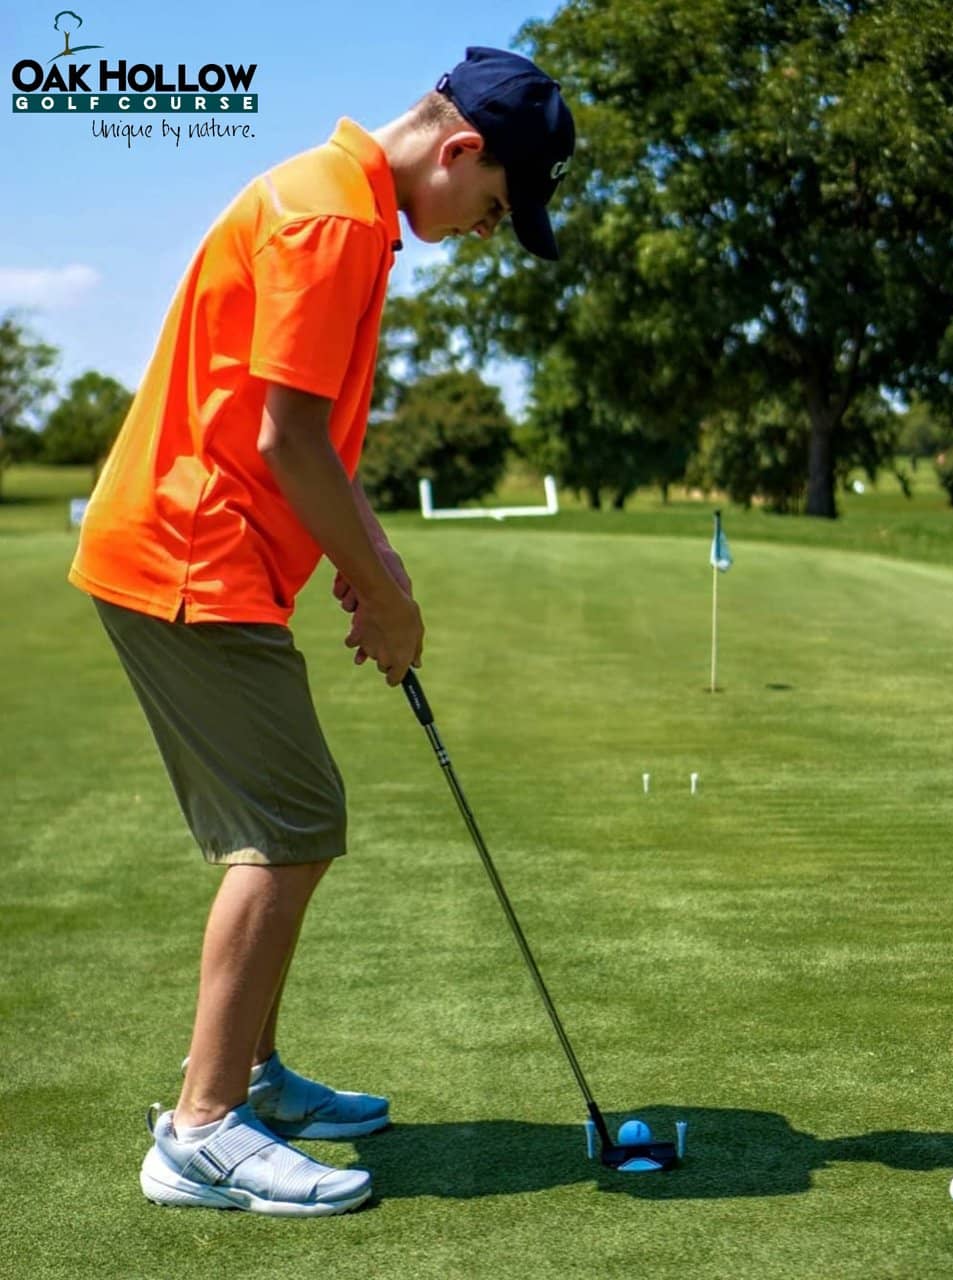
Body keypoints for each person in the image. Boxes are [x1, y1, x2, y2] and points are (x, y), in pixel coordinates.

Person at [68, 46, 575, 1218]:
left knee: (292, 818)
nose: (493, 230)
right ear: (459, 152)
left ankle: (250, 1075)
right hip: (190, 558)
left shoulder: (338, 199)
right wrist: (386, 595)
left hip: (204, 550)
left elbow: (307, 446)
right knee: (291, 827)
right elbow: (288, 437)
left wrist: (370, 561)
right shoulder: (334, 220)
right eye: (499, 207)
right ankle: (200, 1129)